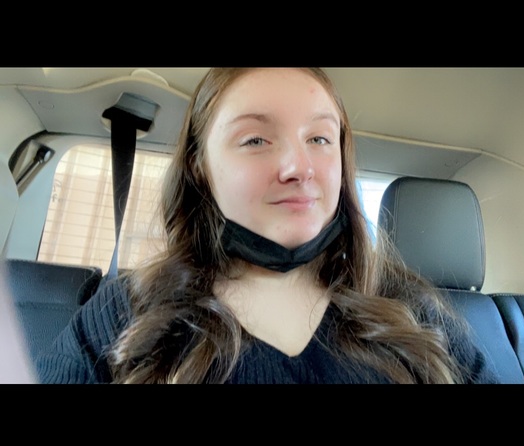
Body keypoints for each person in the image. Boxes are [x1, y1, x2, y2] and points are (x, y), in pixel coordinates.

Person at [37, 68, 499, 384]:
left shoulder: (416, 315)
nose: (299, 167)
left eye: (319, 138)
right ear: (200, 167)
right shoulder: (127, 312)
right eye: (255, 139)